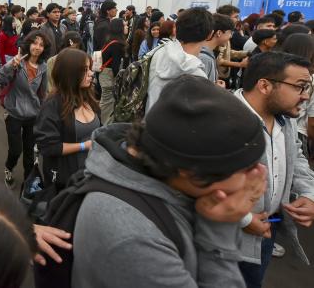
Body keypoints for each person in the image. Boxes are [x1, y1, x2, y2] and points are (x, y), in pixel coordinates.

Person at [71, 75, 268, 288]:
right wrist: (220, 228)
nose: (259, 174)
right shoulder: (132, 237)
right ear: (191, 172)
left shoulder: (176, 186)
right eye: (246, 168)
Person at [235, 52, 314, 288]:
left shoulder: (286, 119)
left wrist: (309, 193)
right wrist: (243, 219)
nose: (306, 96)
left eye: (308, 87)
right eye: (300, 87)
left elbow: (296, 156)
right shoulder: (222, 118)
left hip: (267, 231)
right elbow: (198, 177)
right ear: (265, 86)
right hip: (225, 238)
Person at [35, 48, 99, 190]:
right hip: (65, 181)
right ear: (71, 73)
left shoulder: (89, 96)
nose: (91, 73)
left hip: (91, 174)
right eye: (85, 70)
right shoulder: (52, 105)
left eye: (90, 68)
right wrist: (84, 146)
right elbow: (48, 147)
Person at [0, 30, 50, 188]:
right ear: (28, 44)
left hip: (33, 115)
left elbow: (43, 93)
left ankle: (28, 181)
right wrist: (11, 65)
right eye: (35, 43)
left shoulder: (43, 67)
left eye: (41, 45)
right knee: (15, 149)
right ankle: (9, 167)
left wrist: (43, 113)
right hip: (14, 113)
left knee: (29, 151)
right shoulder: (17, 62)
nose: (37, 47)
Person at [146, 7, 213, 112]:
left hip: (149, 117)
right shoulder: (197, 74)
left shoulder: (159, 51)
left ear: (176, 29)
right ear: (210, 35)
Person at [282, 34, 314, 162]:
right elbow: (312, 121)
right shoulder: (309, 77)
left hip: (281, 125)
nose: (304, 95)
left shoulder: (276, 70)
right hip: (299, 131)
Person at [99, 18, 128, 124]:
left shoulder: (109, 40)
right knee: (108, 102)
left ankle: (103, 122)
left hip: (104, 74)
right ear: (119, 28)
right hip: (109, 76)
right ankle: (105, 124)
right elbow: (116, 66)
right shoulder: (117, 44)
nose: (127, 27)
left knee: (106, 100)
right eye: (124, 25)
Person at [199, 13, 234, 84]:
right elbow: (200, 86)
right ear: (219, 33)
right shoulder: (205, 58)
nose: (231, 36)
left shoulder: (207, 53)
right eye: (230, 32)